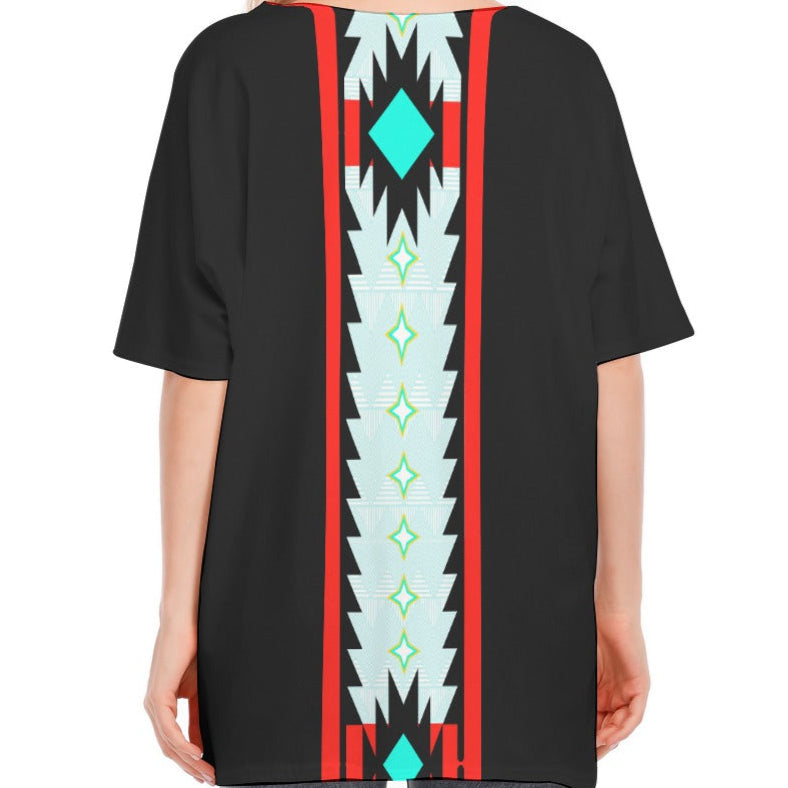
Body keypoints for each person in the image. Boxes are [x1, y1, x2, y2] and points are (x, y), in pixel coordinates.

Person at [113, 0, 694, 786]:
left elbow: (198, 372)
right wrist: (617, 611)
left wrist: (178, 616)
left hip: (282, 656)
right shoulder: (563, 72)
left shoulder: (228, 67)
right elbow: (612, 363)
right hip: (518, 660)